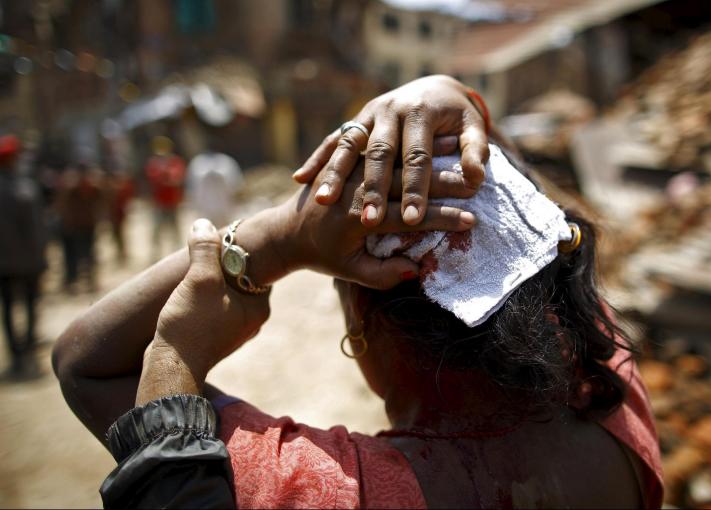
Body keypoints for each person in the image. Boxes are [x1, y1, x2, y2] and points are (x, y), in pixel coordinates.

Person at [53, 76, 663, 508]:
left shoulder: (320, 491)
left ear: (365, 327)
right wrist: (460, 98)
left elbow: (89, 363)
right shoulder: (614, 397)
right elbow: (551, 234)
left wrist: (280, 237)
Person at [0, 135, 47, 374]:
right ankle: (27, 347)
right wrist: (42, 257)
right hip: (28, 261)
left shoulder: (24, 186)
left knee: (7, 307)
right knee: (29, 303)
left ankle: (16, 352)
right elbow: (36, 228)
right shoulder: (25, 188)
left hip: (4, 264)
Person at [55, 164, 103, 293]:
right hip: (75, 227)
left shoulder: (93, 187)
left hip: (87, 226)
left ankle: (89, 280)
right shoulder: (72, 188)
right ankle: (73, 280)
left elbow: (101, 202)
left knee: (88, 254)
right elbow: (64, 205)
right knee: (74, 256)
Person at [145, 136, 186, 261]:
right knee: (157, 230)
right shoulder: (153, 163)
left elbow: (177, 179)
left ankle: (178, 254)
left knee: (175, 229)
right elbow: (153, 179)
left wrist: (166, 176)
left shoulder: (175, 162)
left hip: (172, 202)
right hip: (159, 203)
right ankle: (155, 255)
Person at [186, 148, 243, 228]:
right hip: (205, 206)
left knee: (226, 228)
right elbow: (192, 186)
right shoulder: (197, 163)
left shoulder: (226, 161)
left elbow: (235, 184)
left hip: (225, 204)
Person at [106, 169, 135, 265]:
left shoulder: (122, 188)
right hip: (113, 216)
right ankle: (120, 253)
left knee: (120, 235)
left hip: (120, 216)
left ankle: (122, 253)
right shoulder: (110, 188)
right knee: (115, 235)